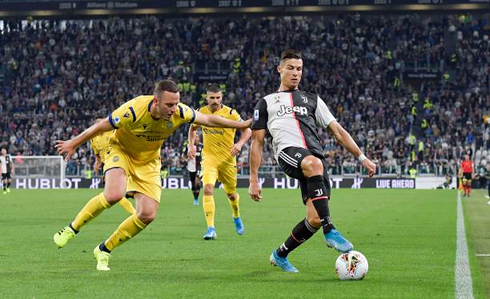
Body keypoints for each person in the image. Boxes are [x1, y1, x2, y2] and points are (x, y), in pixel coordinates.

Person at [53, 79, 252, 271]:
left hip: (148, 161)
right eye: (169, 105)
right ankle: (71, 229)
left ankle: (104, 249)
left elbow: (208, 119)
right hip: (120, 150)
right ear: (156, 101)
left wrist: (241, 126)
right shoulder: (133, 110)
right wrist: (74, 143)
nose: (174, 109)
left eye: (176, 103)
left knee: (147, 214)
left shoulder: (180, 111)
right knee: (114, 194)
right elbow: (101, 126)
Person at [248, 49, 376, 273]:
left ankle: (280, 255)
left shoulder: (313, 100)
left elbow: (338, 131)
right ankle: (330, 229)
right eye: (290, 68)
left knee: (314, 218)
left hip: (314, 160)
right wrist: (253, 179)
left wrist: (362, 157)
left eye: (299, 69)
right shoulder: (266, 102)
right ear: (279, 69)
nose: (295, 73)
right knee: (314, 168)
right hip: (288, 152)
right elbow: (257, 143)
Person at [187, 83, 252, 240]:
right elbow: (192, 128)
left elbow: (247, 130)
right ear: (206, 97)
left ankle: (236, 215)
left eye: (217, 97)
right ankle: (211, 228)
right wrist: (191, 145)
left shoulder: (231, 113)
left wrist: (239, 144)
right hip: (209, 158)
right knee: (208, 189)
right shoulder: (201, 112)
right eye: (212, 98)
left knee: (231, 195)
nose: (215, 100)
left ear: (221, 97)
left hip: (228, 160)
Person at [90, 120, 136, 215]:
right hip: (107, 165)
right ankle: (133, 207)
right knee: (114, 194)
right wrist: (97, 164)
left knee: (115, 193)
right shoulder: (93, 139)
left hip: (118, 161)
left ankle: (132, 194)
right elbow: (97, 154)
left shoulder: (112, 131)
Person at [184, 135, 202, 206]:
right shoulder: (188, 146)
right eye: (195, 137)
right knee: (193, 184)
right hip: (190, 167)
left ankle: (196, 199)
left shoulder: (202, 146)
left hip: (199, 167)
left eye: (197, 137)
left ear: (199, 138)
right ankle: (195, 198)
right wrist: (187, 159)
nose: (196, 138)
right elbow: (184, 156)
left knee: (197, 181)